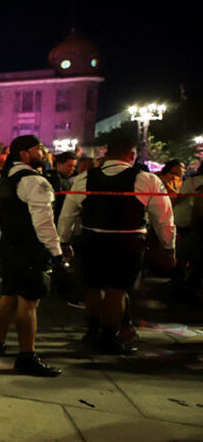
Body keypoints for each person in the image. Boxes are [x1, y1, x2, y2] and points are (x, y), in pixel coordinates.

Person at [58, 128, 176, 354]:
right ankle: (109, 337)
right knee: (117, 291)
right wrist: (168, 247)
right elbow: (163, 219)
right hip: (127, 243)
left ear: (106, 153)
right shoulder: (146, 179)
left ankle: (92, 332)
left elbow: (67, 215)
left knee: (92, 288)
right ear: (132, 155)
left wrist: (63, 242)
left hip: (92, 241)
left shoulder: (84, 178)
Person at [0, 135, 64, 376]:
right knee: (28, 302)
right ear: (24, 154)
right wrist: (57, 253)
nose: (45, 152)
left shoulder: (4, 180)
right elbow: (44, 223)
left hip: (9, 245)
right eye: (39, 148)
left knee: (7, 295)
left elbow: (3, 219)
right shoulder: (33, 181)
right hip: (30, 248)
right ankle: (26, 356)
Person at [44, 151, 78, 223]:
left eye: (74, 166)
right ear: (59, 164)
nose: (72, 169)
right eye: (69, 166)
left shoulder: (65, 179)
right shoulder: (54, 179)